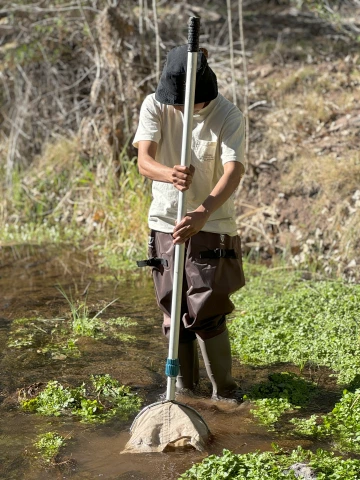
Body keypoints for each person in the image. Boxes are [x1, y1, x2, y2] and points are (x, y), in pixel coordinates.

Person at [133, 45, 246, 401]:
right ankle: (185, 395)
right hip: (165, 222)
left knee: (206, 311)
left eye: (188, 103)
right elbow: (143, 160)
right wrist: (169, 173)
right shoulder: (155, 104)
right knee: (173, 308)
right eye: (177, 102)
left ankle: (225, 397)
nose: (181, 109)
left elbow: (234, 170)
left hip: (212, 225)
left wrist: (203, 212)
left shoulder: (228, 115)